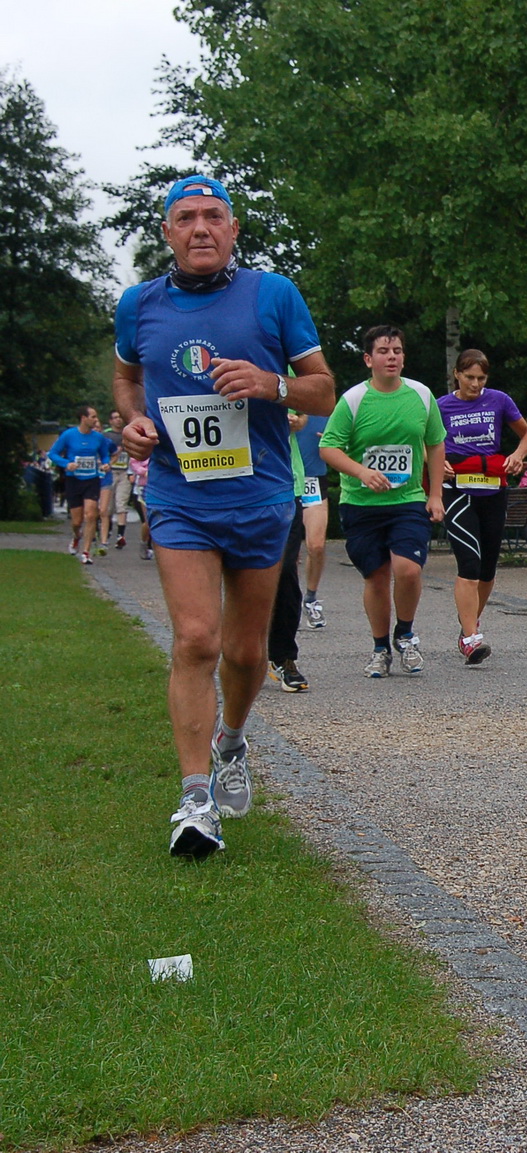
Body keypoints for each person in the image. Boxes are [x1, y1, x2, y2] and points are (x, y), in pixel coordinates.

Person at [113, 174, 335, 858]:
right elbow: (126, 377)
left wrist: (271, 383)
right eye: (186, 218)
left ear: (234, 229)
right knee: (196, 640)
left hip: (260, 497)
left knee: (245, 652)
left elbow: (324, 392)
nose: (201, 227)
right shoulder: (138, 304)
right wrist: (133, 420)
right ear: (168, 233)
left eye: (214, 215)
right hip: (180, 498)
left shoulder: (273, 294)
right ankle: (194, 799)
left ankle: (231, 741)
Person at [319, 325, 446, 677]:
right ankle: (380, 649)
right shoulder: (353, 400)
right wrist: (362, 472)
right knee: (376, 577)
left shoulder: (421, 395)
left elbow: (436, 444)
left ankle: (404, 634)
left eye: (397, 351)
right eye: (384, 351)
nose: (392, 357)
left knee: (408, 569)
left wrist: (435, 494)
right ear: (368, 359)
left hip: (408, 500)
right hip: (361, 504)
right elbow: (328, 447)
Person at [437, 348, 527, 664]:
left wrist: (517, 456)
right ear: (456, 374)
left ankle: (470, 623)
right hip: (457, 490)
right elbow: (422, 441)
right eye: (469, 377)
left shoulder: (499, 400)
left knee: (488, 566)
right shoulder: (441, 406)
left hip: (492, 489)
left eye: (481, 378)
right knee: (470, 562)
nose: (476, 384)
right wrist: (435, 462)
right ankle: (470, 639)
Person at [266, 412, 314, 692]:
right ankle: (242, 653)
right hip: (234, 483)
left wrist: (299, 420)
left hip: (284, 484)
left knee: (284, 570)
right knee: (241, 574)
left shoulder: (279, 379)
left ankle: (283, 657)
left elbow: (305, 409)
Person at [46, 405, 111, 563]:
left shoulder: (98, 437)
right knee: (77, 522)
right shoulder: (68, 435)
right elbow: (53, 453)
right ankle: (76, 536)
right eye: (93, 417)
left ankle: (86, 552)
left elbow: (105, 454)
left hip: (92, 479)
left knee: (91, 514)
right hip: (74, 480)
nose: (96, 420)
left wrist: (106, 464)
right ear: (83, 418)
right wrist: (66, 464)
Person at [292, 408, 331, 627]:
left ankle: (310, 599)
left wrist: (334, 444)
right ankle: (284, 603)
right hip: (284, 480)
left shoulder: (324, 410)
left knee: (316, 546)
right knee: (286, 553)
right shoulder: (277, 403)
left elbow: (347, 443)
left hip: (313, 481)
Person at [101, 410, 136, 551]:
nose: (118, 420)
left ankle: (120, 536)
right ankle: (107, 530)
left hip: (124, 472)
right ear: (110, 421)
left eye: (120, 417)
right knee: (108, 506)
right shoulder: (106, 436)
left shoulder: (128, 433)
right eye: (115, 418)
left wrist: (132, 471)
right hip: (110, 472)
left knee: (121, 503)